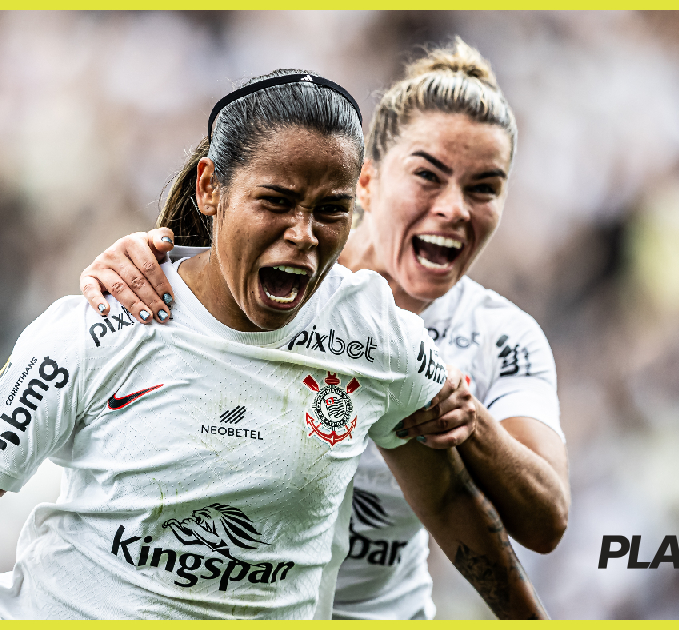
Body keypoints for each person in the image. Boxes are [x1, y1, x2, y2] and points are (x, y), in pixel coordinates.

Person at [0, 69, 546, 620]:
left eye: (331, 211)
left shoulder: (377, 334)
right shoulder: (100, 325)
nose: (304, 235)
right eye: (276, 201)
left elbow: (453, 505)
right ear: (211, 187)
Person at [81, 38, 568, 620]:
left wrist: (470, 421)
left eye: (483, 188)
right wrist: (130, 260)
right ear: (365, 183)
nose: (455, 208)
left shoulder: (500, 336)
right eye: (428, 177)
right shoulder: (276, 282)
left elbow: (545, 520)